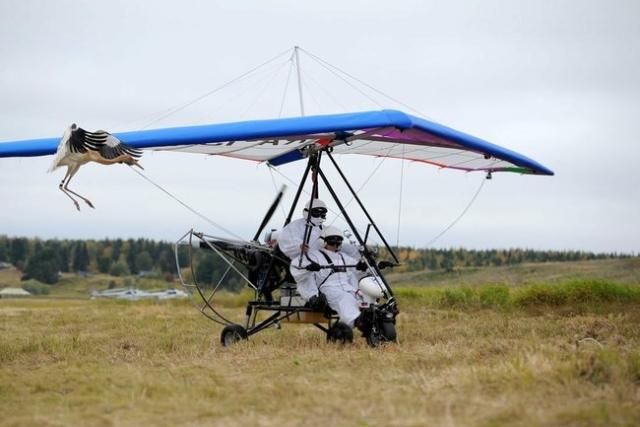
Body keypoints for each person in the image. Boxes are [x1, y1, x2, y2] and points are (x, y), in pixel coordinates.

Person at [304, 226, 368, 341]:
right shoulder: (315, 256)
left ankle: (372, 320)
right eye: (332, 243)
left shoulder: (343, 257)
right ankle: (357, 321)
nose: (335, 246)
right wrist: (310, 267)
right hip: (328, 288)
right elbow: (305, 275)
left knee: (364, 297)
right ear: (323, 242)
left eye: (337, 244)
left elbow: (357, 268)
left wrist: (363, 266)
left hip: (347, 287)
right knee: (345, 298)